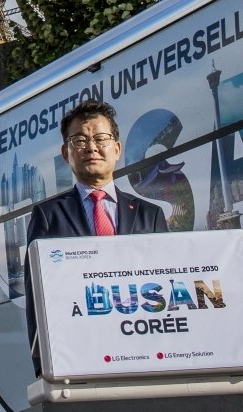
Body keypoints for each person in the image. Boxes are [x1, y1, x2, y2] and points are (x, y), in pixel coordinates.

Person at [24, 100, 168, 373]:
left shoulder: (150, 215)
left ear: (117, 149)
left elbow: (166, 285)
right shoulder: (48, 216)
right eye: (79, 140)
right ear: (66, 153)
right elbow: (37, 297)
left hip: (145, 351)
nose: (91, 147)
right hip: (81, 356)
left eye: (101, 138)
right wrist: (43, 367)